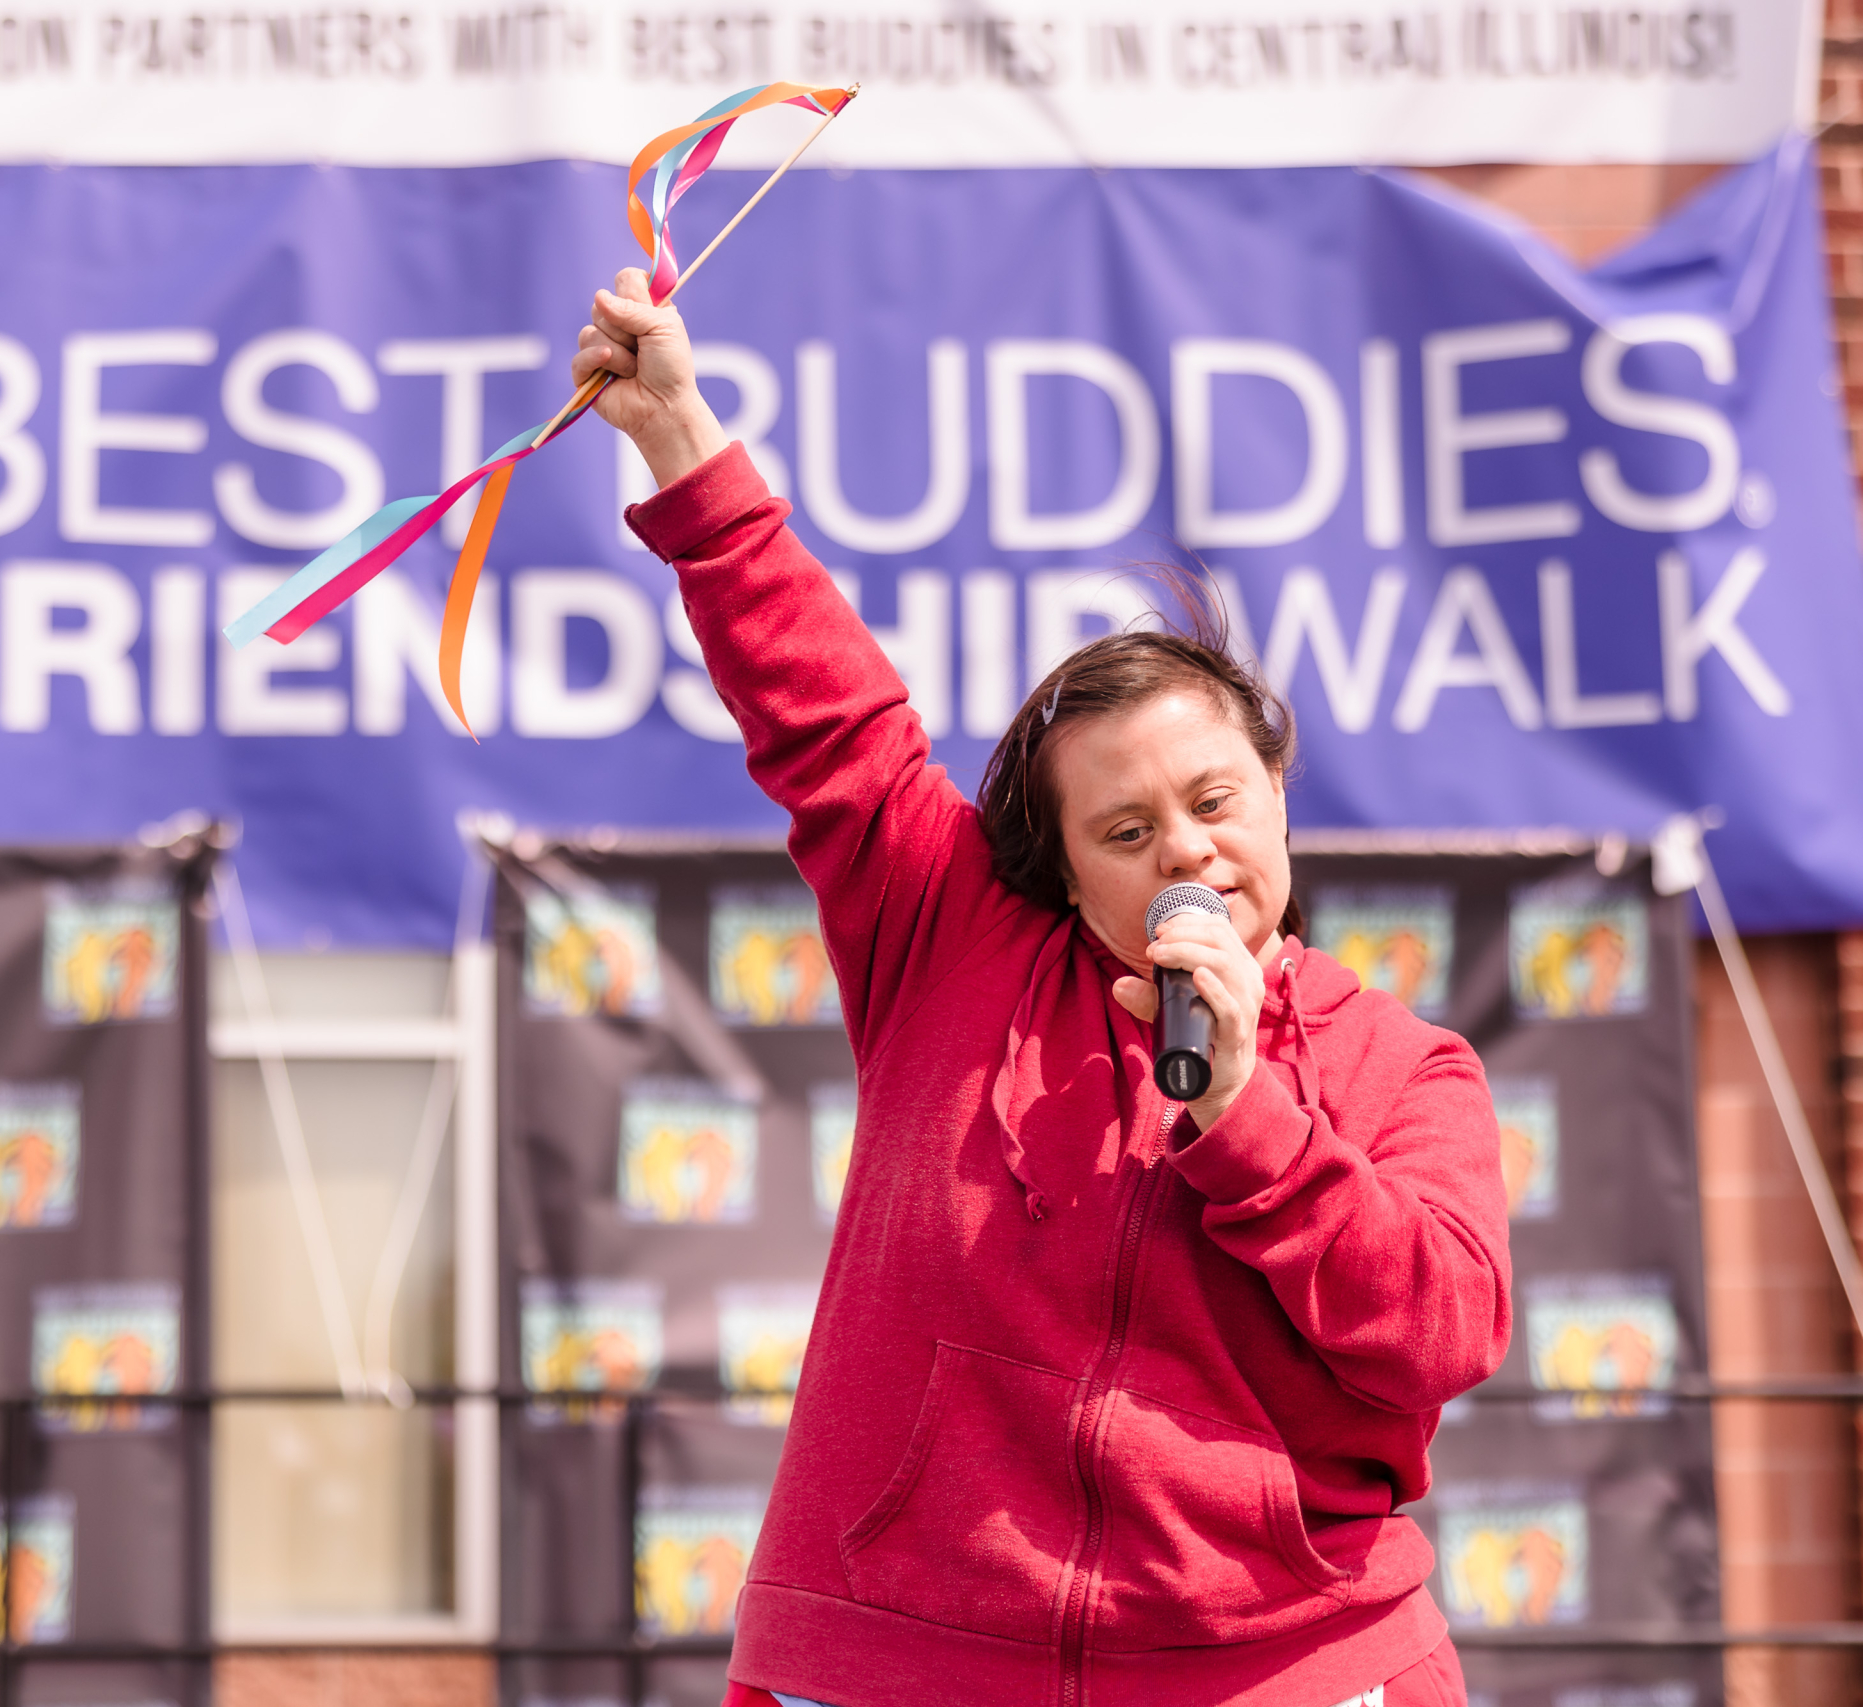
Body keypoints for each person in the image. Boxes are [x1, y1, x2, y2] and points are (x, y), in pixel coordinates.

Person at [573, 269, 1513, 1707]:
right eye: (1126, 835)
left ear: (1276, 792)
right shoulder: (954, 941)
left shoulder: (1406, 1066)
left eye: (1212, 800)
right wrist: (678, 435)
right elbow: (827, 714)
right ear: (1066, 875)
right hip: (897, 1660)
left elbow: (1439, 1334)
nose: (1184, 850)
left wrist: (1253, 1116)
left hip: (1276, 1675)